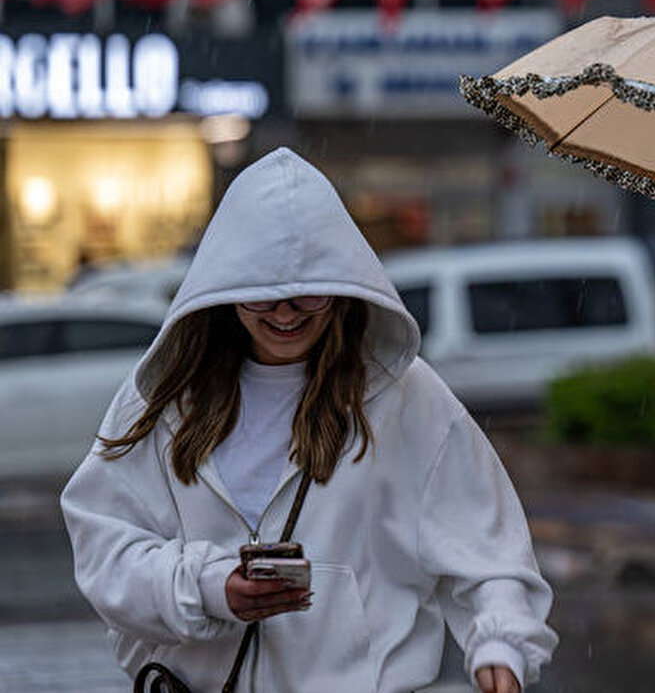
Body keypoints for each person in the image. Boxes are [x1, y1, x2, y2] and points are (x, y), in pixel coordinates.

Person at [61, 147, 556, 693]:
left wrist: (500, 645)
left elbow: (488, 549)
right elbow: (106, 551)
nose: (285, 313)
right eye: (260, 297)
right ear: (225, 291)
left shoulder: (406, 396)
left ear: (343, 288)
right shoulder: (165, 397)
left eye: (308, 295)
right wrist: (208, 587)